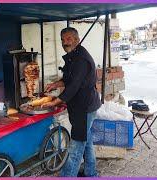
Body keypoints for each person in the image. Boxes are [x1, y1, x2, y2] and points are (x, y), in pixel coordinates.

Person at [41, 27, 101, 177]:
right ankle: (91, 172)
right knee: (86, 142)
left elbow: (74, 85)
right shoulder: (72, 55)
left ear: (77, 40)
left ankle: (67, 175)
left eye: (68, 39)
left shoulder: (81, 59)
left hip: (85, 107)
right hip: (80, 106)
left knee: (76, 146)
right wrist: (56, 84)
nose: (65, 43)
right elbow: (68, 79)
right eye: (63, 40)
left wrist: (56, 101)